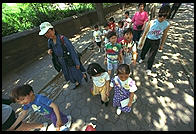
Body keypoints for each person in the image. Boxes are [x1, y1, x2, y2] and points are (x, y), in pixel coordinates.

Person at [39, 22, 88, 89]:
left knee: (75, 72)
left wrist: (77, 62)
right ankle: (76, 82)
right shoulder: (49, 41)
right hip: (62, 61)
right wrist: (49, 51)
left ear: (53, 30)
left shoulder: (63, 39)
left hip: (69, 59)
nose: (47, 34)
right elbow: (50, 48)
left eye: (48, 32)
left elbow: (72, 51)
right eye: (45, 33)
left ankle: (83, 75)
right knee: (68, 74)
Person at [138, 5, 171, 75]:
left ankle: (149, 68)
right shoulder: (152, 22)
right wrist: (141, 41)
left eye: (165, 16)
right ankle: (142, 57)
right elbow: (145, 32)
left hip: (156, 41)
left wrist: (162, 44)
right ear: (159, 14)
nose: (162, 18)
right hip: (148, 39)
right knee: (144, 50)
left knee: (152, 55)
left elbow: (164, 35)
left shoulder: (167, 24)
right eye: (161, 15)